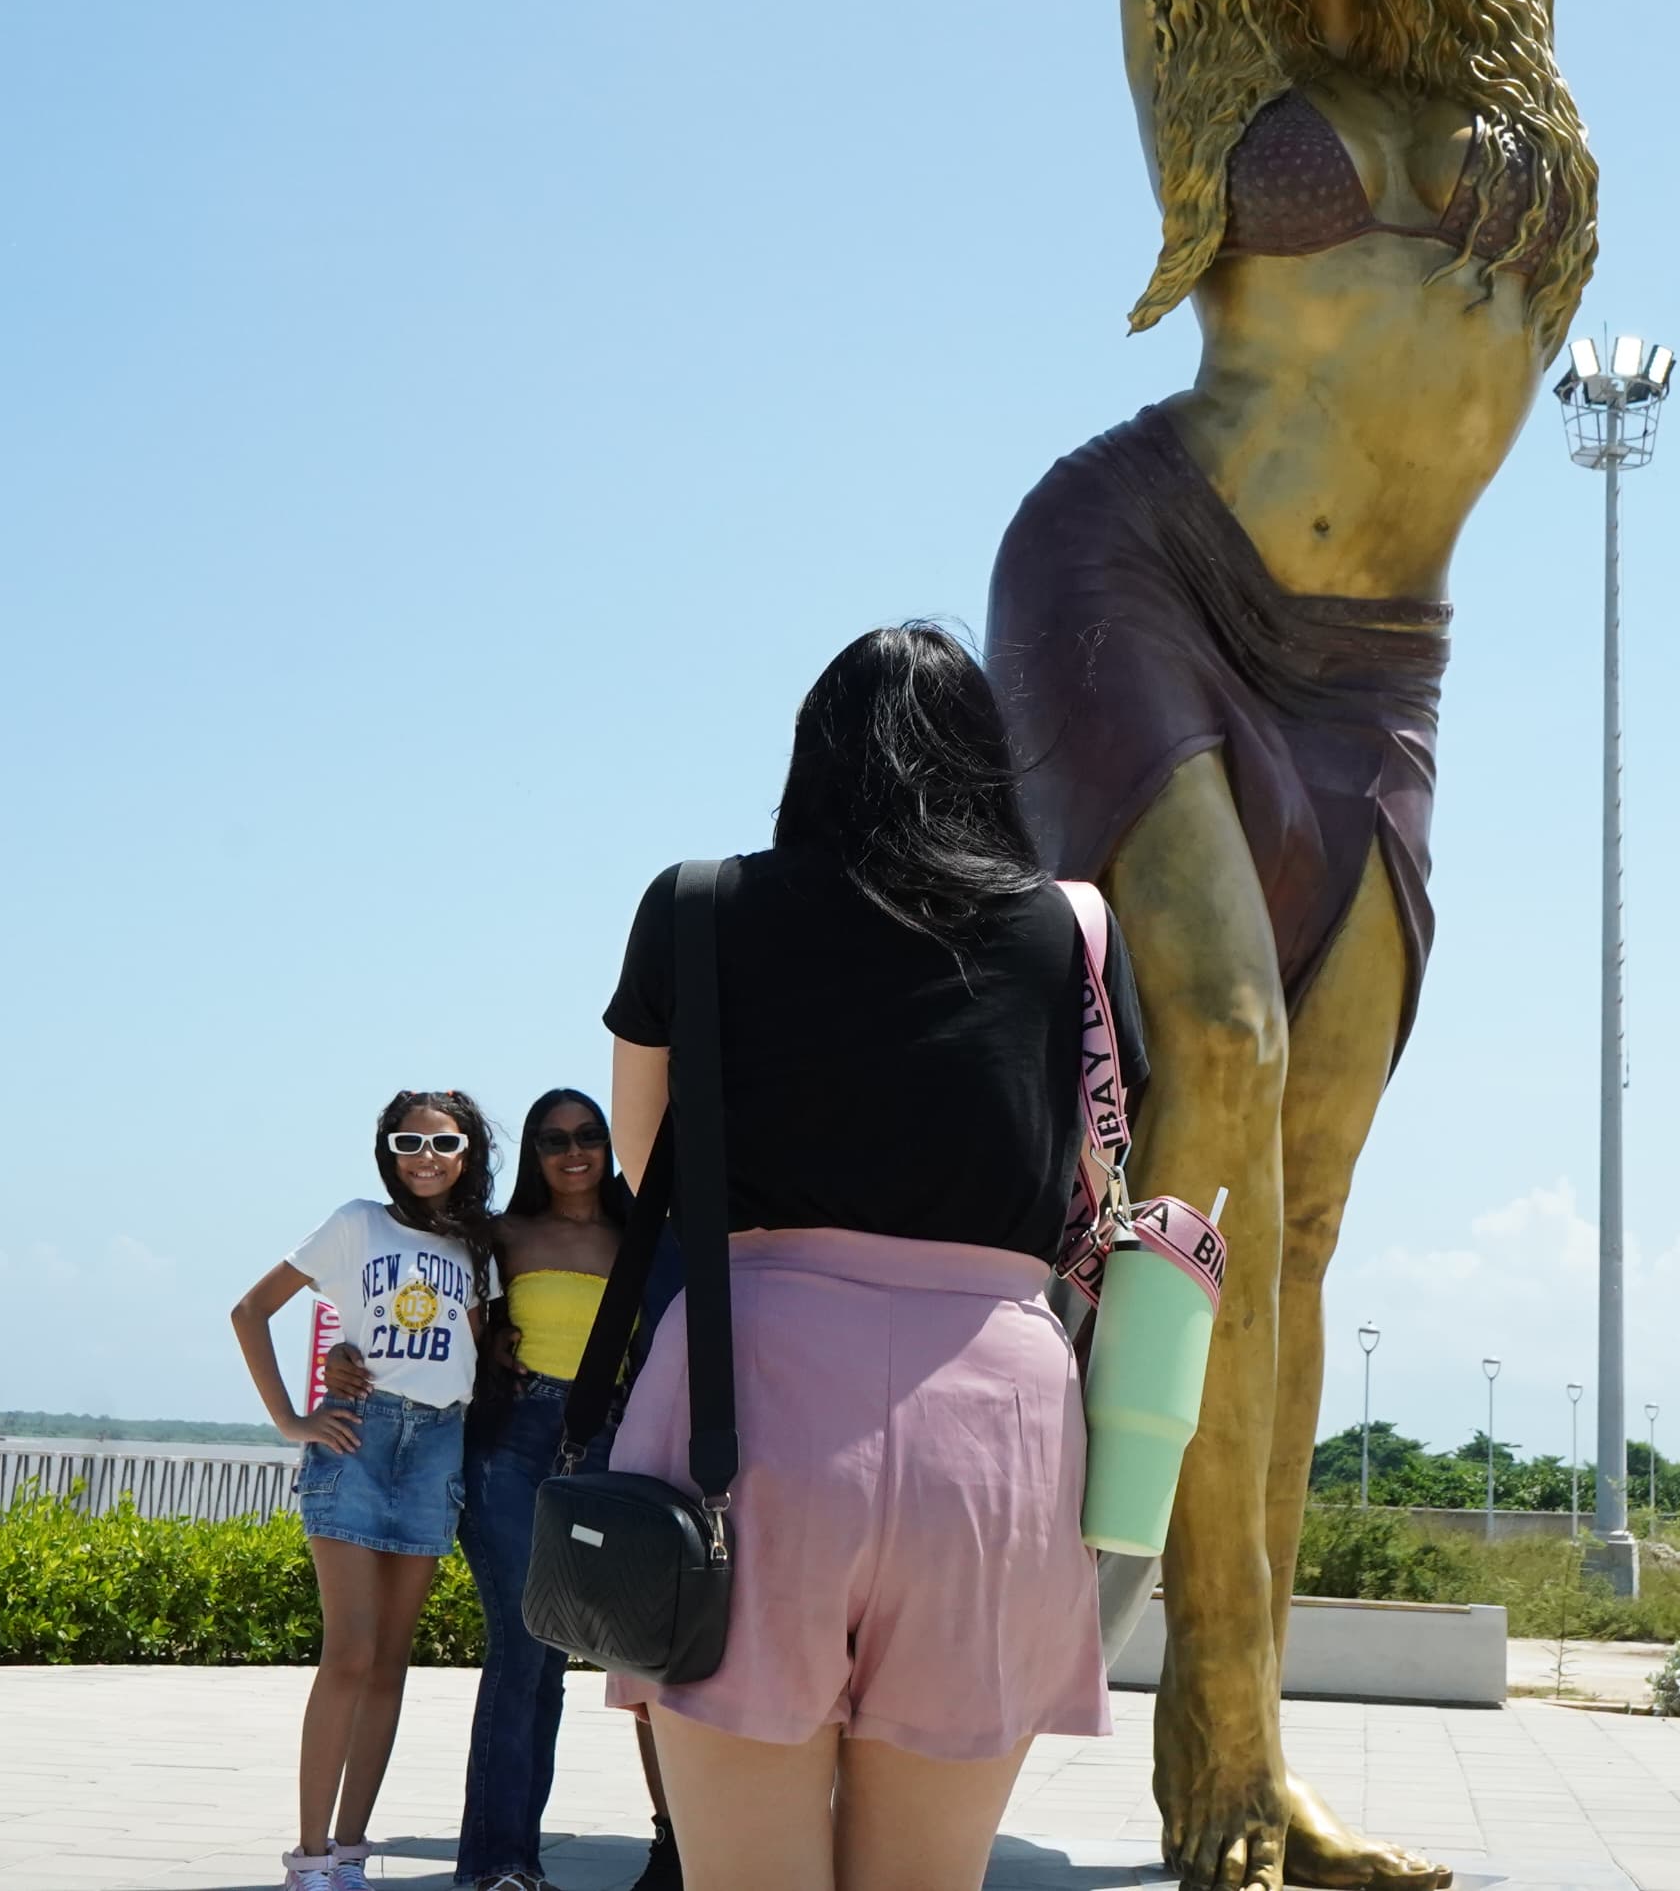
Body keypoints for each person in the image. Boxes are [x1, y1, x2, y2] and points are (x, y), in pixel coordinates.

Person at [983, 0, 1593, 1891]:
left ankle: (1229, 1768)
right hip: (1139, 571)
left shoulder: (1514, 94)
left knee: (1301, 1222)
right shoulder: (1219, 93)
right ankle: (1121, 1649)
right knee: (1208, 1064)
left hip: (1379, 677)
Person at [595, 622, 1109, 1891]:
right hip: (989, 1421)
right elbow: (1096, 1179)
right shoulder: (1070, 929)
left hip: (745, 1392)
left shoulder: (698, 904)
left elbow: (644, 1153)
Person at [229, 1090, 503, 1891]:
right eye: (407, 1138)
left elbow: (478, 1356)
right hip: (358, 1436)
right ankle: (308, 1857)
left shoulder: (476, 1247)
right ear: (387, 1148)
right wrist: (291, 1418)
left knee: (390, 1660)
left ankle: (350, 1852)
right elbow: (251, 1310)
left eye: (441, 1140)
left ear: (466, 1151)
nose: (424, 1152)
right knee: (347, 1651)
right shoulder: (355, 1222)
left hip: (440, 1444)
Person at [450, 1086, 652, 1891]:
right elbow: (420, 1306)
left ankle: (515, 1861)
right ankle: (500, 1862)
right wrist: (344, 1363)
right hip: (512, 1444)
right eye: (554, 1139)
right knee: (519, 1649)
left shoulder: (640, 1241)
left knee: (557, 1662)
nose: (574, 1151)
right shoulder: (502, 1236)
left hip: (604, 1440)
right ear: (533, 1155)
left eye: (589, 1135)